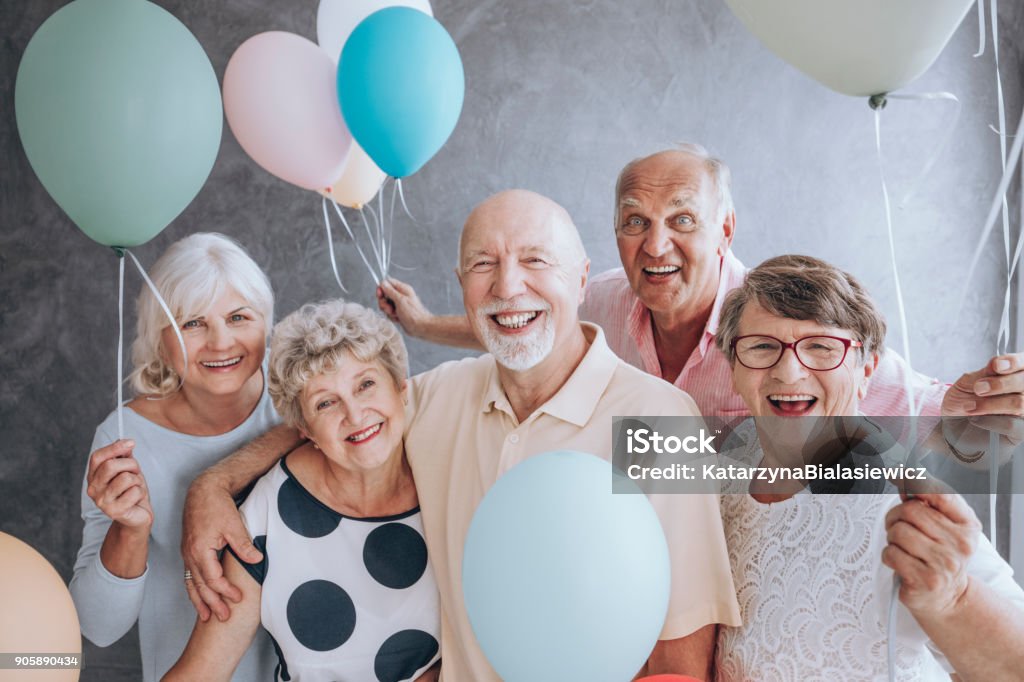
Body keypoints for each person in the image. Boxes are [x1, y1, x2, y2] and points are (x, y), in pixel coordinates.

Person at [179, 190, 741, 680]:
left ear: (581, 277)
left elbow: (685, 648)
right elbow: (336, 418)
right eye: (483, 264)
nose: (508, 285)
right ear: (461, 286)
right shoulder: (436, 397)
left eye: (534, 260)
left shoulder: (665, 420)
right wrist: (214, 484)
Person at [375, 146, 1024, 430]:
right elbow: (524, 320)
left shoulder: (786, 323)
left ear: (725, 228)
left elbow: (896, 393)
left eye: (681, 220)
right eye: (635, 223)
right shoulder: (601, 300)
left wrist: (967, 404)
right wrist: (426, 324)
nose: (655, 246)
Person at [710, 254, 1024, 680]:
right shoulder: (731, 461)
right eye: (762, 347)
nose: (788, 372)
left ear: (867, 370)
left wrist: (955, 598)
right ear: (733, 367)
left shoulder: (899, 496)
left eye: (821, 347)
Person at [164, 300, 440, 682]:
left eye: (366, 384)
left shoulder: (448, 476)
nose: (355, 415)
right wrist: (210, 484)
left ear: (401, 389)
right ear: (305, 430)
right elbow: (202, 672)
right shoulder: (267, 514)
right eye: (326, 402)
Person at [69, 233, 277, 681]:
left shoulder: (308, 398)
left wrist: (212, 482)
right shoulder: (124, 438)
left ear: (266, 323)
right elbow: (99, 628)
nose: (221, 343)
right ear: (158, 339)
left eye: (239, 317)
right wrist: (131, 531)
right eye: (192, 323)